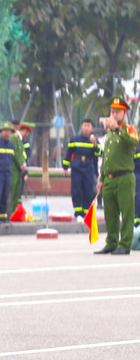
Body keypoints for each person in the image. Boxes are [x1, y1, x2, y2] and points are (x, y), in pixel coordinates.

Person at [96, 100, 136, 255]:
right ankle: (111, 243)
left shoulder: (129, 129)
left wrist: (118, 129)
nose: (114, 115)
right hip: (109, 179)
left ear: (124, 113)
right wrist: (101, 179)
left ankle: (125, 244)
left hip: (124, 177)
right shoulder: (110, 134)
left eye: (117, 112)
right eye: (112, 111)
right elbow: (106, 157)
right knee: (110, 213)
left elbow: (133, 141)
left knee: (127, 213)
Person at [65, 118, 100, 222]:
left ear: (92, 128)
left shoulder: (94, 141)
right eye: (85, 126)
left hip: (88, 168)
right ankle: (78, 213)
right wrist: (65, 167)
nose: (86, 128)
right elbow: (68, 153)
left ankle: (86, 213)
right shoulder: (74, 139)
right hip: (77, 167)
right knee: (76, 190)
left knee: (88, 191)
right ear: (81, 127)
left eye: (88, 126)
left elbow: (98, 154)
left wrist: (95, 145)